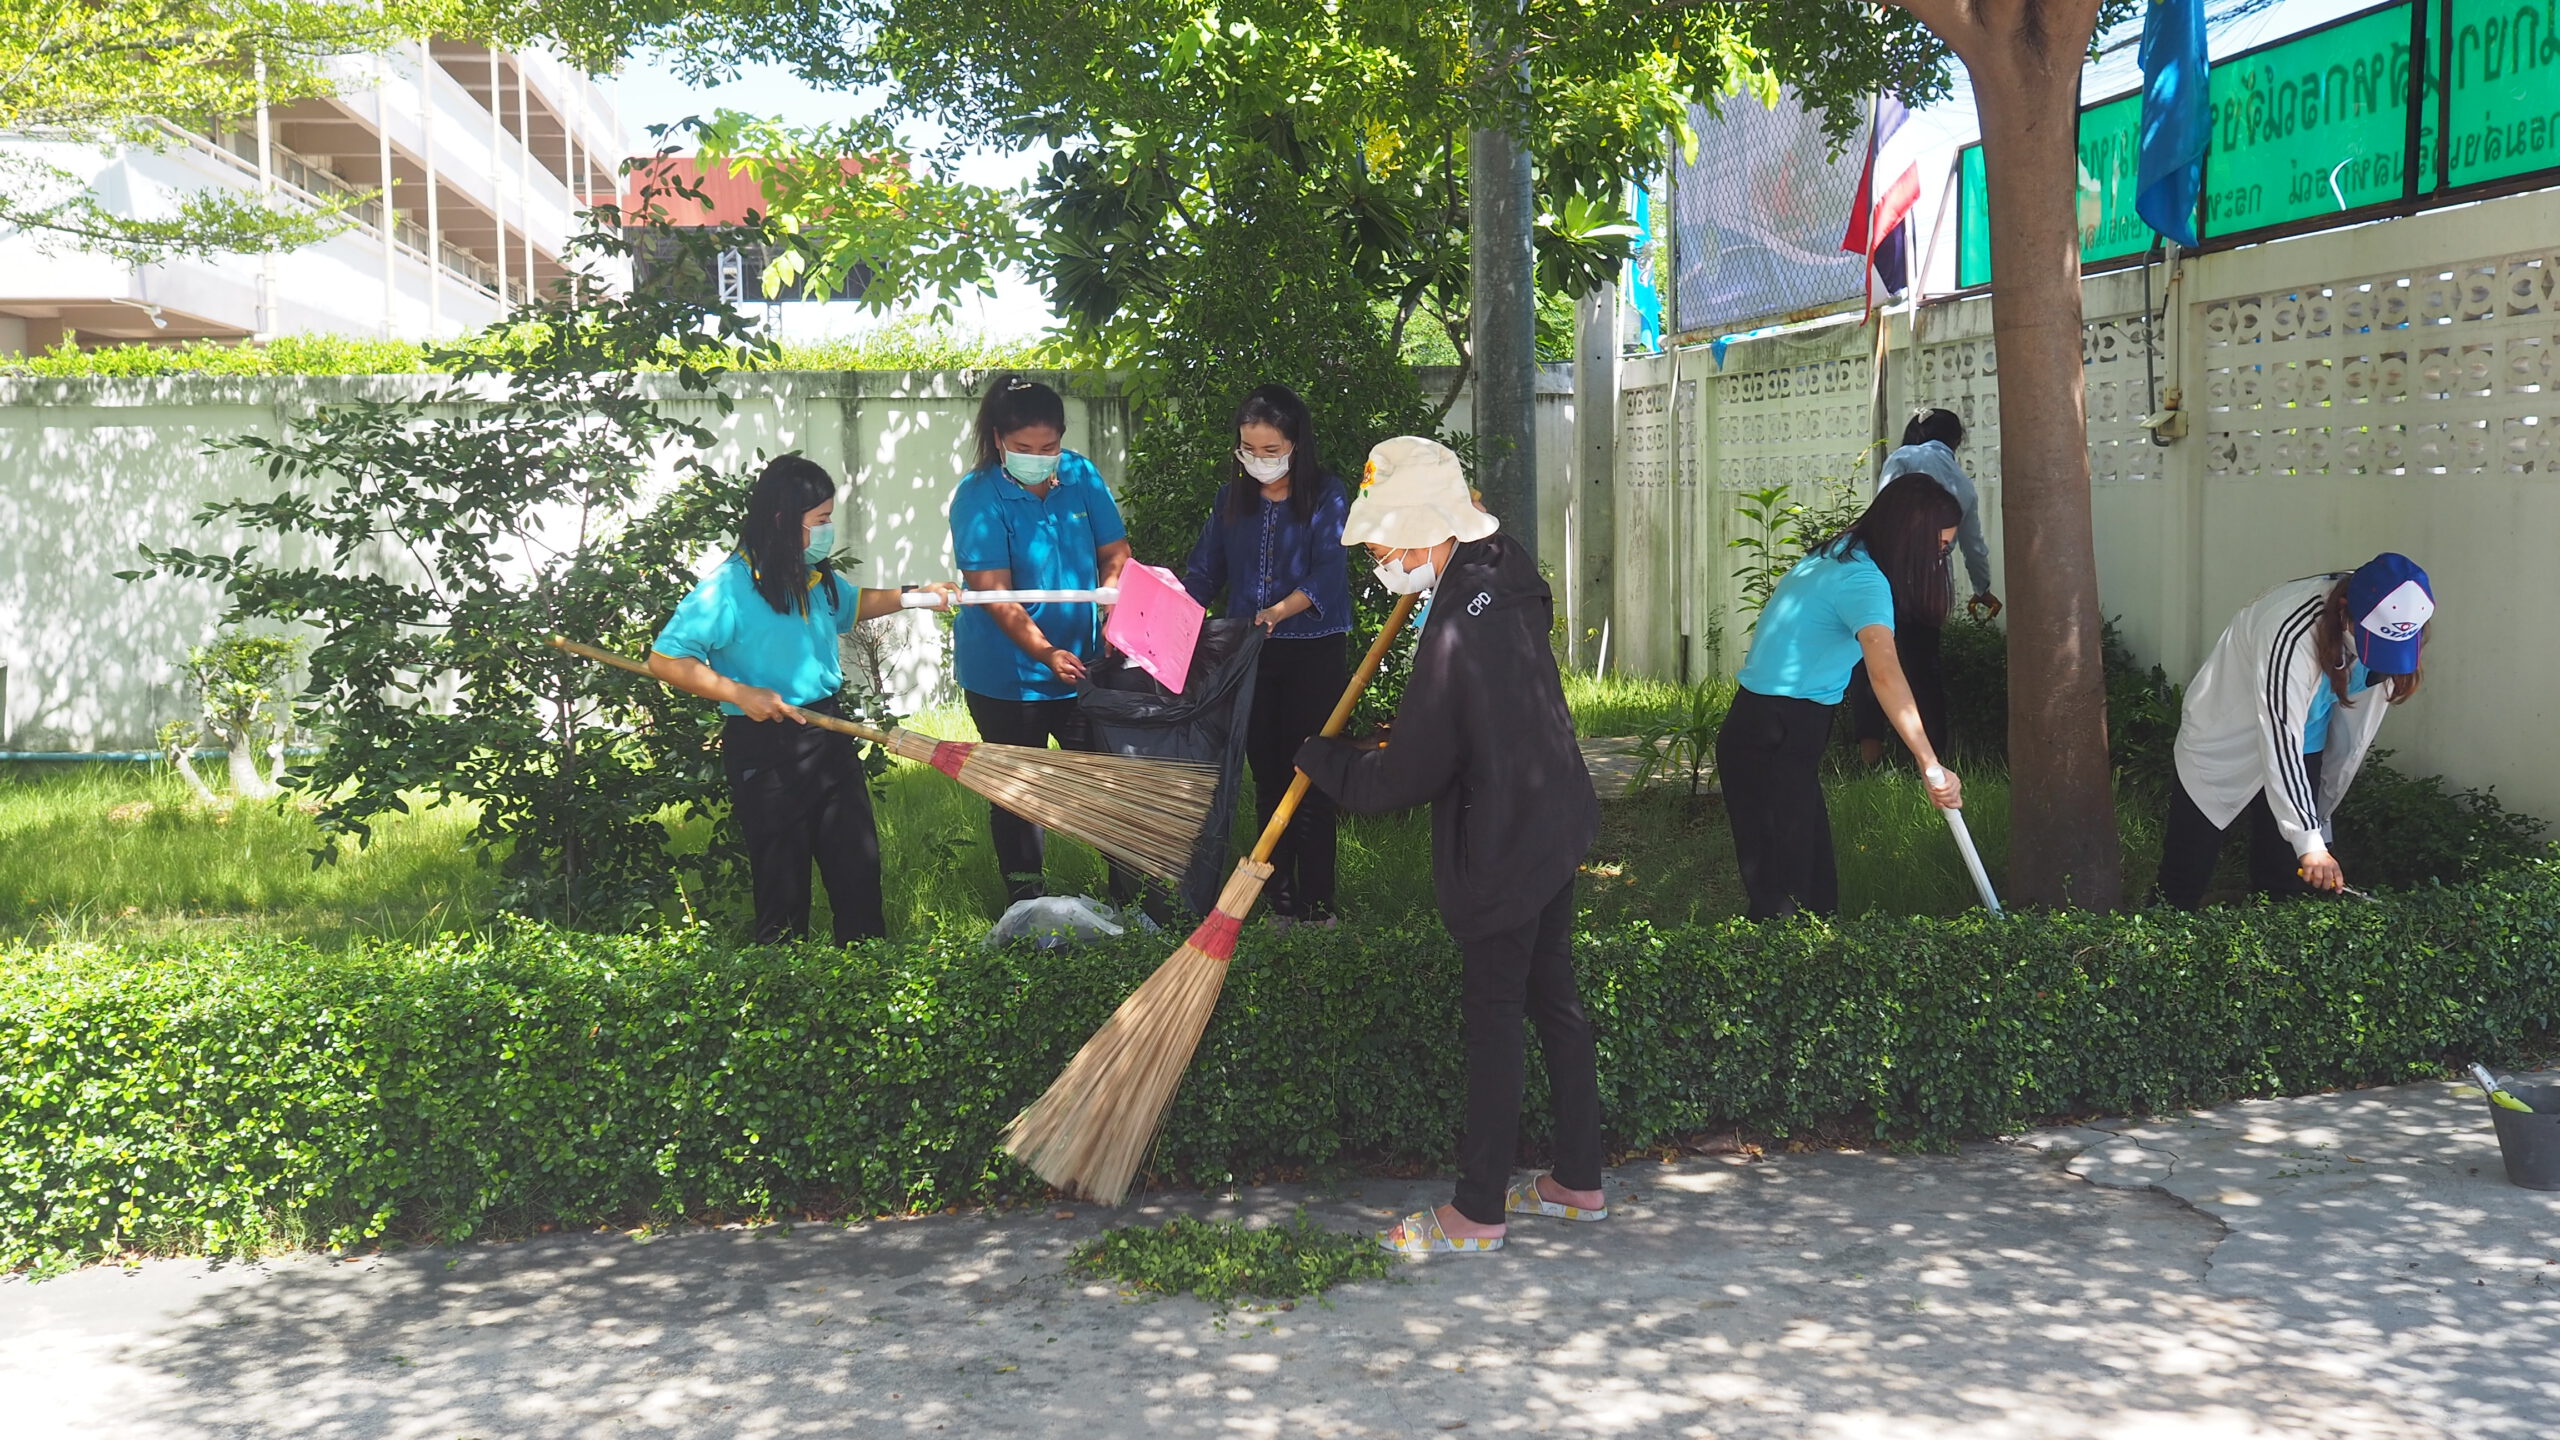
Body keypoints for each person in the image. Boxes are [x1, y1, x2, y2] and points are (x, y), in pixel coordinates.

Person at [1295, 436, 1605, 1256]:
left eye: (1391, 542)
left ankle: (1477, 1213)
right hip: (1554, 814)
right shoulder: (1500, 566)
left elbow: (1410, 776)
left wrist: (1324, 760)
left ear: (1434, 526)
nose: (1384, 561)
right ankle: (1578, 1180)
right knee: (1554, 997)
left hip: (1508, 840)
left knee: (1497, 1015)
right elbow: (1476, 715)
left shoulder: (1458, 629)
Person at [647, 455, 957, 944]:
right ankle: (784, 996)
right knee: (783, 890)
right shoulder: (728, 587)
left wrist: (914, 595)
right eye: (821, 520)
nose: (829, 529)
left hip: (828, 734)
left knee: (858, 875)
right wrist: (738, 692)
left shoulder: (813, 576)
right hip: (765, 748)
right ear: (782, 521)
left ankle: (865, 982)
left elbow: (852, 606)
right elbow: (666, 660)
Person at [1718, 477, 1965, 921]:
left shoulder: (1836, 554)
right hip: (1776, 730)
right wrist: (1930, 763)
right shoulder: (1861, 579)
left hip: (1770, 727)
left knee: (1812, 884)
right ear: (1911, 533)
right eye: (1940, 547)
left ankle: (1808, 965)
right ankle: (1773, 976)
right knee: (1783, 896)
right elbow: (1885, 673)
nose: (1939, 560)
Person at [2154, 554, 2434, 909]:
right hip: (2228, 736)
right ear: (2345, 610)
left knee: (2284, 879)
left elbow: (2337, 735)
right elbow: (2279, 734)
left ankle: (2265, 959)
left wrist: (2314, 834)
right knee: (2186, 870)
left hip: (2307, 740)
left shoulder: (2397, 613)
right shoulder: (2290, 627)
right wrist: (2310, 844)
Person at [948, 374, 1134, 904]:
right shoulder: (977, 495)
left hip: (1084, 666)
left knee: (1105, 782)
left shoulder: (1079, 474)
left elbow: (1115, 551)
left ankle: (1129, 901)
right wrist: (1045, 652)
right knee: (1017, 792)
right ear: (999, 440)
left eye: (1048, 447)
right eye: (1023, 448)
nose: (1038, 457)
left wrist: (1112, 592)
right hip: (1007, 676)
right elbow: (996, 596)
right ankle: (1027, 909)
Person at [1182, 384, 1353, 922]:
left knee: (1315, 777)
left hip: (1316, 652)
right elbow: (1204, 572)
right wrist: (1173, 618)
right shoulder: (1229, 499)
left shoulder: (1327, 494)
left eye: (1270, 450)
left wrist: (1281, 610)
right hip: (1250, 654)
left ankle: (1319, 905)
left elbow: (1330, 570)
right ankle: (1279, 902)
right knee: (1269, 776)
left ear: (1296, 445)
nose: (1258, 461)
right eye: (1248, 450)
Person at [1846, 407, 1998, 766]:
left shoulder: (1902, 458)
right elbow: (1974, 545)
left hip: (1887, 572)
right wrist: (1983, 587)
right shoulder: (1962, 483)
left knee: (1868, 659)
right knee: (1923, 668)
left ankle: (1870, 758)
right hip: (1930, 582)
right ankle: (1929, 760)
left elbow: (1881, 509)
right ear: (1956, 440)